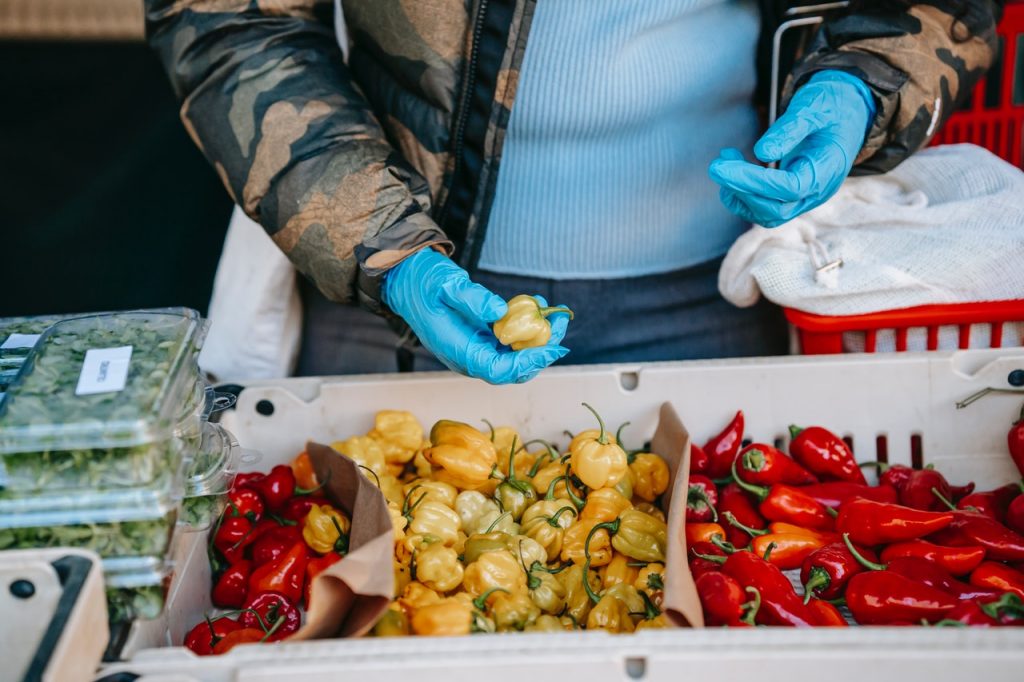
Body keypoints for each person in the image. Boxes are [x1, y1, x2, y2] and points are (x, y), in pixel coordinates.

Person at [145, 0, 1000, 383]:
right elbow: (231, 21)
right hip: (388, 303)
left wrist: (862, 83)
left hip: (718, 292)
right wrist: (383, 248)